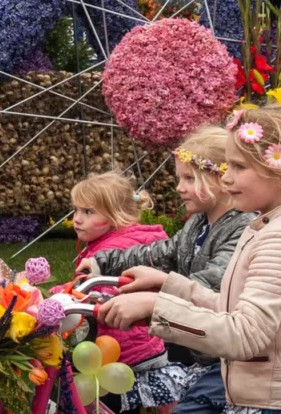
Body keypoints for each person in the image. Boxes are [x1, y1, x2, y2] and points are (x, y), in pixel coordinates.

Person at [98, 105, 281, 414]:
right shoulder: (274, 223)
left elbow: (245, 335)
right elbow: (237, 309)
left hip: (278, 406)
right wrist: (169, 285)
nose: (226, 176)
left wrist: (156, 308)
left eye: (237, 167)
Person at [78, 125, 254, 414]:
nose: (179, 187)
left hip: (229, 357)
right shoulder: (198, 223)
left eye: (188, 178)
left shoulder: (240, 228)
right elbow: (160, 252)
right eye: (179, 178)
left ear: (220, 179)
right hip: (201, 350)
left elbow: (210, 282)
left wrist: (153, 297)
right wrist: (103, 261)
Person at [70, 171, 191, 414]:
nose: (77, 219)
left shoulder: (119, 247)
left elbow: (101, 290)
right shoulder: (111, 241)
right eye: (75, 210)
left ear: (116, 215)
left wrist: (58, 294)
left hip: (128, 352)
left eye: (88, 212)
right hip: (142, 345)